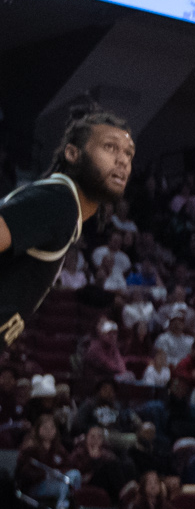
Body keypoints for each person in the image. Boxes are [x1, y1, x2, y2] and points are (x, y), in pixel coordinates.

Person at [0, 109, 133, 349]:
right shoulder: (60, 201)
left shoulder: (64, 206)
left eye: (128, 153)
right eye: (110, 148)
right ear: (73, 154)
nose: (123, 160)